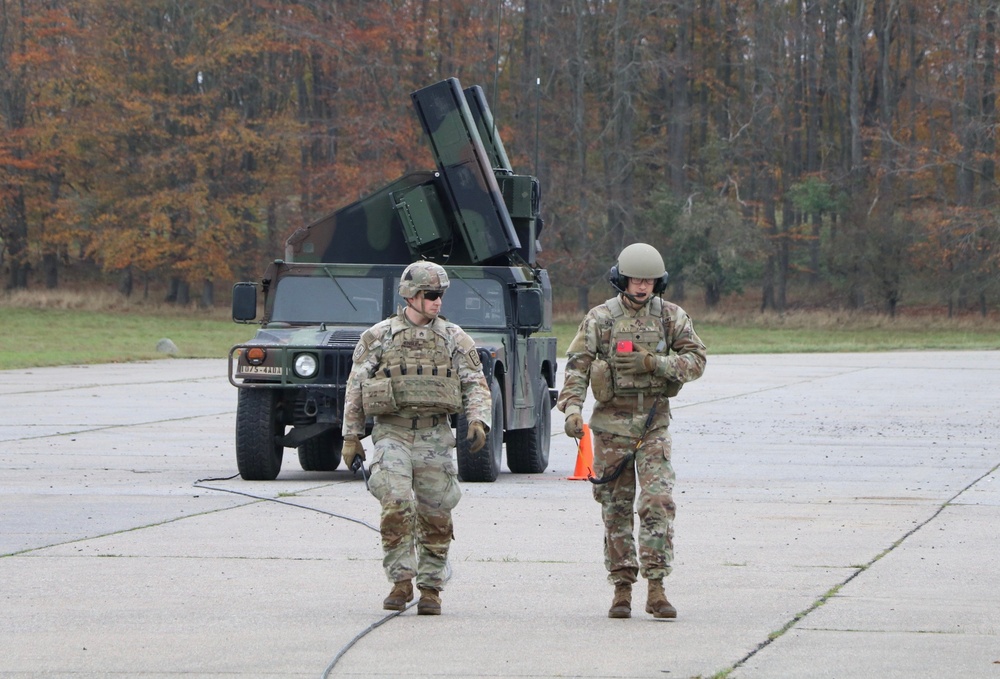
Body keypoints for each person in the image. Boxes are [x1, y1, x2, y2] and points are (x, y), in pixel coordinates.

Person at [557, 243, 706, 619]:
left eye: (650, 281)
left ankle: (656, 587)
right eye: (637, 280)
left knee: (657, 502)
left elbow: (697, 359)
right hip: (610, 427)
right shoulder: (600, 319)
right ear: (622, 279)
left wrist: (655, 363)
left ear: (660, 282)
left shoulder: (672, 317)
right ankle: (621, 588)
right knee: (615, 508)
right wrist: (573, 409)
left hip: (652, 424)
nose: (642, 287)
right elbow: (577, 366)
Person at [341, 260, 491, 616]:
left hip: (435, 434)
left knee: (436, 513)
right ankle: (400, 580)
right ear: (411, 296)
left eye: (441, 295)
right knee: (395, 502)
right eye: (430, 295)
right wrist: (351, 436)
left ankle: (431, 588)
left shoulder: (454, 337)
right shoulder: (379, 337)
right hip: (392, 431)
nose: (438, 301)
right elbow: (356, 385)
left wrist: (478, 421)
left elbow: (474, 381)